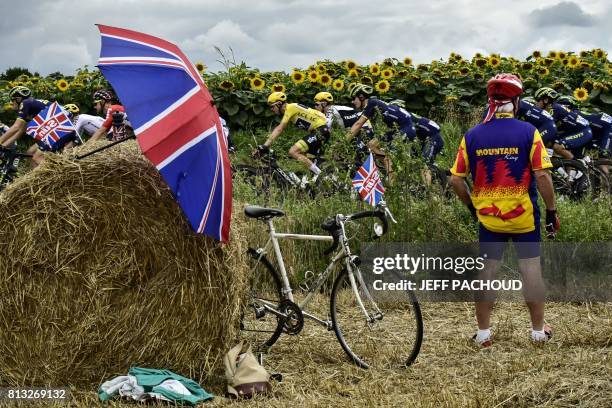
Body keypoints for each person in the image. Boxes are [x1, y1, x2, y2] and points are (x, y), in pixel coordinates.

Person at [449, 73, 559, 347]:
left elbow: (455, 179)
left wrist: (473, 207)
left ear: (491, 101)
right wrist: (551, 211)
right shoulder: (528, 132)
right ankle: (537, 332)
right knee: (531, 271)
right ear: (516, 101)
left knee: (486, 273)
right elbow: (543, 177)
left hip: (489, 219)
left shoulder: (472, 135)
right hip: (523, 218)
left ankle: (483, 334)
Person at [258, 92, 329, 176]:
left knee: (293, 151)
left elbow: (279, 129)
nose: (271, 109)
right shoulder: (292, 109)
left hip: (320, 130)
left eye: (272, 106)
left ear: (279, 104)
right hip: (320, 130)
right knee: (307, 159)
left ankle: (320, 175)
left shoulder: (290, 107)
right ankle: (313, 181)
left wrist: (265, 145)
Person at [312, 91, 373, 168]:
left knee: (356, 156)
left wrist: (310, 145)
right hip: (355, 131)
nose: (315, 107)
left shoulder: (331, 111)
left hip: (365, 128)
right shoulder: (330, 111)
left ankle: (364, 175)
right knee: (339, 151)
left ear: (324, 104)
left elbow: (324, 131)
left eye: (316, 104)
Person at [534, 87, 592, 160]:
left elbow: (546, 128)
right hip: (574, 131)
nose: (535, 103)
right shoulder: (550, 108)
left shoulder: (553, 109)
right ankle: (567, 169)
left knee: (557, 146)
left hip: (583, 131)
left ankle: (579, 165)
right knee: (550, 144)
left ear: (546, 100)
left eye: (537, 100)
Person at [390, 99, 444, 164]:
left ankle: (434, 171)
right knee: (415, 160)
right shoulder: (402, 117)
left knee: (425, 163)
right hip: (425, 138)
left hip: (433, 138)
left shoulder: (407, 117)